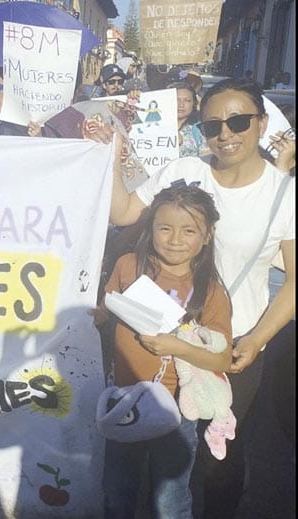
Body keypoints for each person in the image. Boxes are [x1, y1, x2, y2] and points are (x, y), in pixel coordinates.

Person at [109, 78, 295, 518]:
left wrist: (256, 340)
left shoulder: (284, 194)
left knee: (219, 457)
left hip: (232, 345)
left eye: (238, 122)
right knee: (157, 447)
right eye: (213, 126)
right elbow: (124, 212)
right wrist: (112, 156)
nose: (225, 134)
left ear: (261, 123)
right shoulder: (185, 170)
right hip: (160, 335)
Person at [100, 184, 232, 519]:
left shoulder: (211, 291)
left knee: (169, 499)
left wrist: (177, 347)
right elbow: (107, 309)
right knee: (117, 489)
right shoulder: (128, 265)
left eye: (189, 231)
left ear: (207, 235)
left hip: (178, 409)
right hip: (124, 399)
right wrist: (98, 314)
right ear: (150, 228)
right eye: (165, 228)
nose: (175, 240)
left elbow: (221, 359)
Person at [168, 81, 208, 157]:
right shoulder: (151, 127)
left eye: (187, 100)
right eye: (176, 99)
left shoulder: (200, 129)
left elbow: (207, 156)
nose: (181, 104)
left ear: (194, 104)